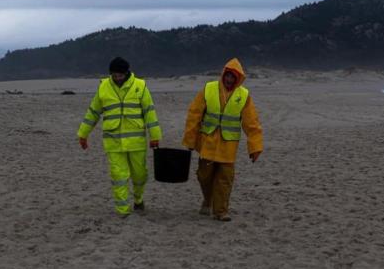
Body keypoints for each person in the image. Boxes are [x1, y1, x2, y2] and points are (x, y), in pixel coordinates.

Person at [77, 56, 162, 218]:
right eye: (114, 75)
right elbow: (93, 113)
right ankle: (123, 210)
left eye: (120, 75)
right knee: (119, 176)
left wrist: (155, 136)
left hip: (136, 141)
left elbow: (149, 112)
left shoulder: (140, 86)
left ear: (127, 73)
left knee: (140, 175)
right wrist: (83, 134)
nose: (117, 78)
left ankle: (138, 199)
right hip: (113, 141)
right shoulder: (103, 87)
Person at [182, 58, 263, 222]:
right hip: (208, 144)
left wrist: (255, 147)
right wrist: (190, 140)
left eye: (233, 77)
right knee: (203, 176)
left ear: (238, 78)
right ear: (223, 75)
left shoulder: (244, 96)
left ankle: (221, 211)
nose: (229, 80)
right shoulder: (209, 89)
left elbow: (252, 124)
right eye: (228, 76)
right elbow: (194, 115)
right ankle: (208, 199)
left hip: (228, 148)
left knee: (224, 180)